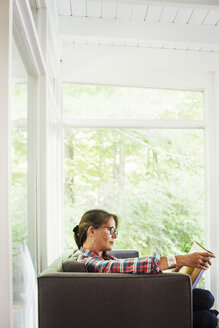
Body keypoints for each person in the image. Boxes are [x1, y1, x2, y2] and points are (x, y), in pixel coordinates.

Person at [73, 209, 218, 328]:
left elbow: (136, 275)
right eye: (111, 229)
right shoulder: (89, 261)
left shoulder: (105, 257)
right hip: (142, 306)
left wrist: (173, 271)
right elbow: (132, 265)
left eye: (115, 231)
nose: (115, 235)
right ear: (92, 231)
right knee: (207, 313)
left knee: (206, 299)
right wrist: (182, 259)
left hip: (145, 299)